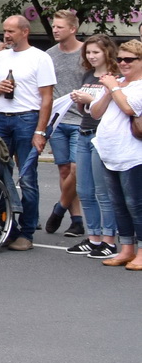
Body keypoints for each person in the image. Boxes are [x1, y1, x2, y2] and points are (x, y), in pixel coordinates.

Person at [0, 14, 56, 251]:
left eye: (11, 31)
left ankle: (27, 232)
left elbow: (47, 99)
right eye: (4, 31)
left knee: (27, 177)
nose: (6, 35)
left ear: (25, 32)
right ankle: (6, 227)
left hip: (28, 118)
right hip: (2, 119)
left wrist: (40, 131)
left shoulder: (40, 58)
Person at [90, 39, 142, 269]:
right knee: (118, 204)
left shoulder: (138, 85)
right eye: (120, 59)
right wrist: (109, 90)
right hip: (109, 152)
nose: (123, 63)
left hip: (132, 155)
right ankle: (127, 249)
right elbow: (95, 112)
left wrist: (114, 87)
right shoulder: (117, 83)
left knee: (136, 204)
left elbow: (130, 108)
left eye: (129, 59)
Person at [69, 36, 121, 259]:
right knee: (84, 191)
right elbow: (86, 111)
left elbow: (117, 108)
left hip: (103, 135)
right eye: (88, 52)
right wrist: (79, 101)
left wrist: (90, 98)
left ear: (107, 52)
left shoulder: (115, 77)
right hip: (84, 132)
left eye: (95, 53)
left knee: (103, 192)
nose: (91, 56)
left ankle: (109, 240)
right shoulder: (88, 75)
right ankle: (93, 238)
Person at [44, 10, 87, 239]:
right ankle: (77, 220)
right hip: (58, 121)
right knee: (63, 170)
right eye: (54, 26)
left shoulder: (86, 53)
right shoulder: (49, 55)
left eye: (60, 26)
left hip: (81, 119)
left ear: (72, 29)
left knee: (76, 169)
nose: (55, 29)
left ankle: (59, 208)